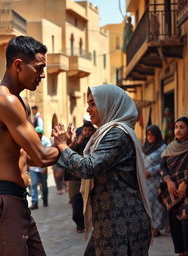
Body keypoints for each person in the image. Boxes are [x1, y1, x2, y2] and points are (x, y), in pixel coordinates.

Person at [0, 35, 59, 256]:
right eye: (39, 68)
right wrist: (67, 146)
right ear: (18, 65)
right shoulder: (4, 100)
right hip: (0, 201)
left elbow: (29, 157)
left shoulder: (21, 102)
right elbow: (41, 156)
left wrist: (68, 146)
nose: (42, 75)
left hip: (16, 200)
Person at [52, 84, 151, 256]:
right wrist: (72, 145)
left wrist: (62, 146)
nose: (88, 109)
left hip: (122, 223)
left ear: (108, 103)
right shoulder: (104, 134)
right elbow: (79, 169)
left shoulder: (117, 134)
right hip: (109, 222)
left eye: (92, 103)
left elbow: (88, 168)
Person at [160, 116, 188, 256]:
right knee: (176, 231)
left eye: (182, 127)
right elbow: (163, 167)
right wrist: (168, 181)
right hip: (173, 193)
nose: (178, 130)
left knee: (187, 228)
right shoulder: (170, 148)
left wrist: (186, 182)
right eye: (176, 127)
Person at [67, 121, 95, 233]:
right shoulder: (77, 140)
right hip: (75, 178)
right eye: (85, 130)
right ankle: (79, 224)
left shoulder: (95, 141)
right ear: (82, 130)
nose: (87, 132)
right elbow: (68, 153)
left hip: (90, 177)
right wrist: (77, 143)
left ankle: (89, 222)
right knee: (76, 201)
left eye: (89, 130)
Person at [142, 125, 167, 237]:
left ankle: (156, 227)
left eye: (152, 134)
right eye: (148, 134)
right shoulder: (144, 148)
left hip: (157, 180)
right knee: (146, 203)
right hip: (145, 182)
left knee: (157, 204)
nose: (150, 137)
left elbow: (165, 164)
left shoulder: (163, 147)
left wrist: (151, 171)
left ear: (157, 135)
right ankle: (148, 226)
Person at [29, 127, 51, 210]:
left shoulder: (46, 141)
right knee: (33, 184)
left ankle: (45, 200)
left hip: (43, 167)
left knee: (44, 185)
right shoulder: (31, 140)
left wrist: (45, 166)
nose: (38, 136)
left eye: (39, 134)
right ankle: (34, 202)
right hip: (33, 168)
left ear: (42, 134)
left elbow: (48, 155)